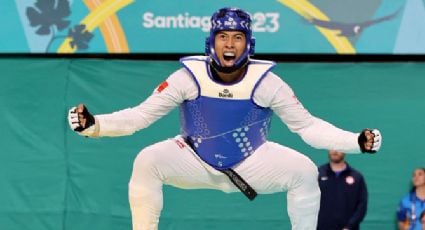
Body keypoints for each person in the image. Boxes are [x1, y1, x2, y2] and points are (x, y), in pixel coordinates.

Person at [67, 7, 382, 230]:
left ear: (249, 44)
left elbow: (308, 127)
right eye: (223, 36)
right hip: (194, 160)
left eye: (237, 37)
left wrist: (355, 142)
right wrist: (94, 125)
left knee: (303, 170)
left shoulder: (268, 83)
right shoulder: (186, 77)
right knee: (147, 161)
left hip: (252, 163)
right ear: (211, 42)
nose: (229, 44)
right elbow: (139, 117)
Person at [317, 150, 368, 230]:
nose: (335, 150)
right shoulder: (317, 174)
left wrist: (349, 227)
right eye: (332, 147)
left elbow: (362, 205)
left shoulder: (357, 177)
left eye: (339, 147)